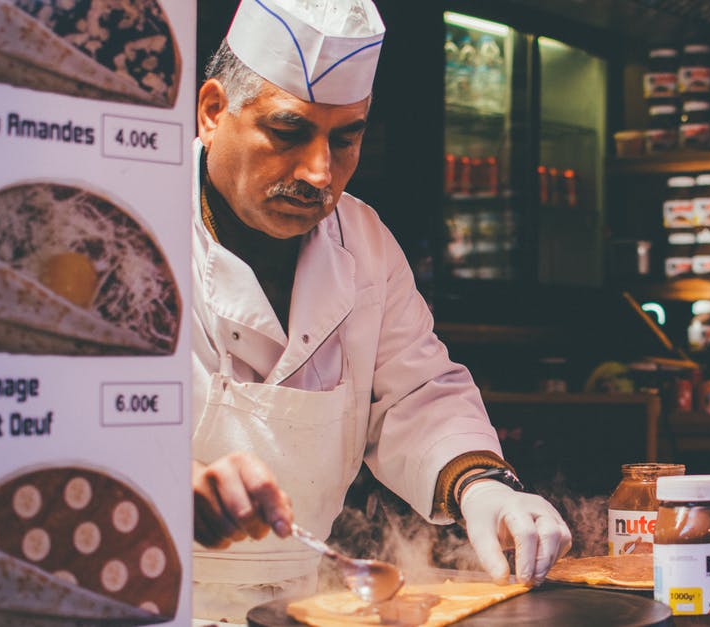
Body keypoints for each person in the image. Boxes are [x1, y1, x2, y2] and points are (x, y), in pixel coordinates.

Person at [189, 1, 571, 621]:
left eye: (346, 139)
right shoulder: (131, 228)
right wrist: (161, 478)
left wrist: (482, 488)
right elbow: (71, 417)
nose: (320, 172)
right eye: (288, 131)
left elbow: (415, 392)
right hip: (150, 593)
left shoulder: (362, 240)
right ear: (212, 112)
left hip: (299, 604)